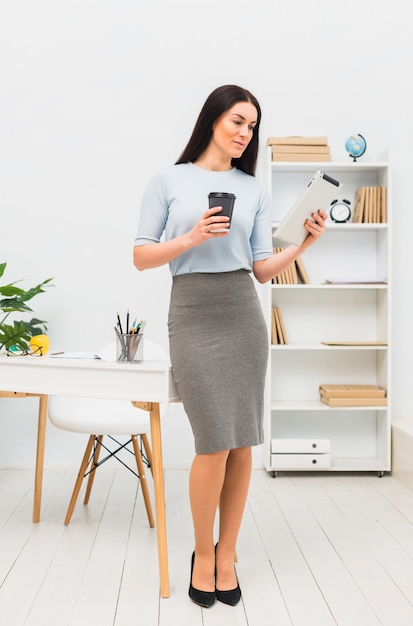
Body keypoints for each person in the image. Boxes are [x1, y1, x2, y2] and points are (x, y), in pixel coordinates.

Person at [133, 84, 327, 608]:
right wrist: (191, 238)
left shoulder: (253, 187)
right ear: (214, 119)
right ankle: (201, 553)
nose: (245, 134)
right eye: (237, 121)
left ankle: (227, 554)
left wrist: (303, 243)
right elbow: (142, 256)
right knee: (212, 442)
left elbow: (261, 270)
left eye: (251, 126)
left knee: (241, 441)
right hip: (193, 310)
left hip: (242, 311)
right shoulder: (168, 179)